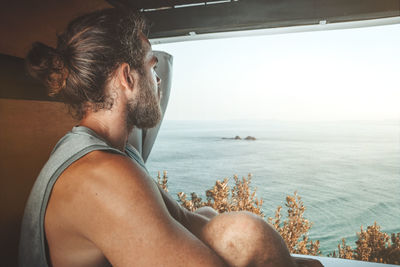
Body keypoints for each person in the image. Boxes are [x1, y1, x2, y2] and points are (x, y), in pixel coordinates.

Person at [19, 8, 322, 267]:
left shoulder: (114, 153)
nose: (158, 80)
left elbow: (185, 218)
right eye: (152, 67)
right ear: (127, 77)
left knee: (213, 218)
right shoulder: (100, 175)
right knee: (246, 232)